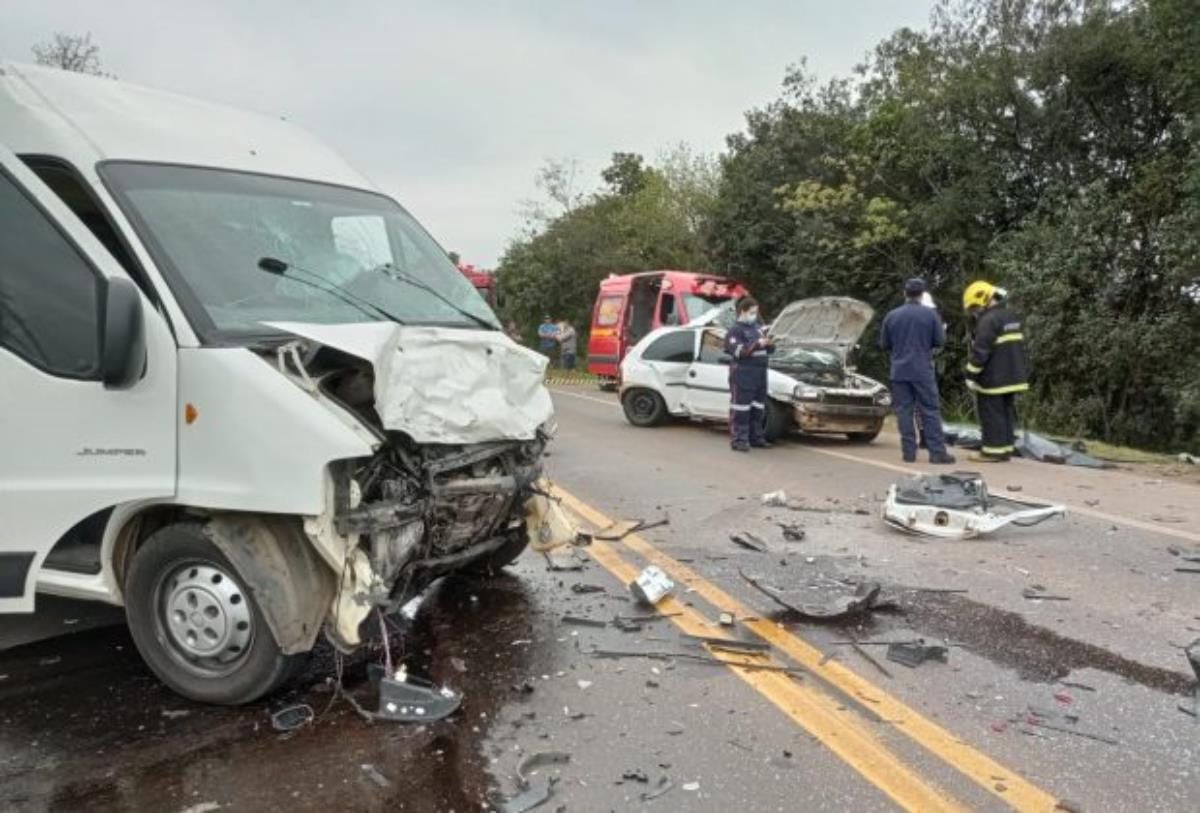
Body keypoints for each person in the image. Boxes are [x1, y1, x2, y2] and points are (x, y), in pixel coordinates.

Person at [879, 278, 956, 465]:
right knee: (929, 410)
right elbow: (940, 341)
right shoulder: (930, 316)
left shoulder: (892, 315)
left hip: (899, 371)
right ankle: (937, 453)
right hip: (922, 370)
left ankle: (909, 453)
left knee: (904, 411)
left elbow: (884, 344)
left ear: (904, 293)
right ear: (922, 295)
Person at [962, 281, 1030, 462]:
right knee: (1005, 413)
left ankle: (992, 452)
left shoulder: (988, 321)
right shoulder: (1011, 315)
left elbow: (980, 352)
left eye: (974, 307)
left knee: (991, 415)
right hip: (1013, 375)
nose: (974, 312)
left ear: (984, 299)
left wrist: (970, 375)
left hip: (994, 378)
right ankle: (1005, 449)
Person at [724, 296, 774, 452]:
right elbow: (741, 352)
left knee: (758, 408)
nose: (754, 315)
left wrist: (770, 344)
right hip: (743, 374)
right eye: (752, 312)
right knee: (741, 409)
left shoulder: (757, 328)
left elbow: (768, 351)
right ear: (743, 312)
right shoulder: (734, 331)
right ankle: (739, 440)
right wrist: (757, 344)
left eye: (756, 312)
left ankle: (756, 438)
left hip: (759, 374)